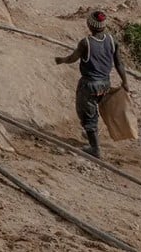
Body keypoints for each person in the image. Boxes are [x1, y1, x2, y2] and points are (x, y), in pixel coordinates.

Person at [55, 11, 130, 159]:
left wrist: (61, 60)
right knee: (93, 110)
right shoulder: (111, 40)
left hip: (89, 85)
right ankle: (91, 133)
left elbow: (72, 58)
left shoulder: (86, 43)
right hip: (105, 84)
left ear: (89, 25)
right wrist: (125, 82)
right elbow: (119, 64)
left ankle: (95, 149)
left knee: (86, 113)